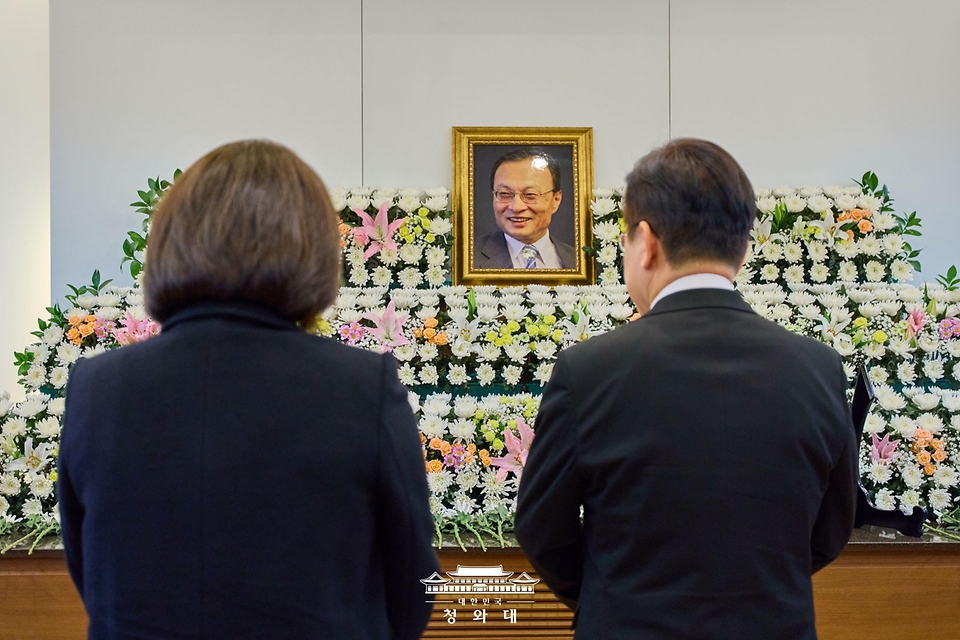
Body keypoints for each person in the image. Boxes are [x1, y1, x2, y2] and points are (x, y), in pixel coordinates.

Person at [58, 140, 439, 639]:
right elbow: (414, 578)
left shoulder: (96, 387)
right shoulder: (360, 386)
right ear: (314, 248)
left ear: (168, 242)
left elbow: (89, 565)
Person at [515, 138, 857, 639]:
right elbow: (831, 527)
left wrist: (618, 596)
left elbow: (544, 531)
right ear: (742, 248)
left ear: (646, 241)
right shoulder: (818, 368)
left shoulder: (588, 370)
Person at [474, 148, 577, 269]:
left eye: (530, 195)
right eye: (505, 194)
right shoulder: (466, 257)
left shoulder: (580, 261)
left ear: (556, 200)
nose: (516, 207)